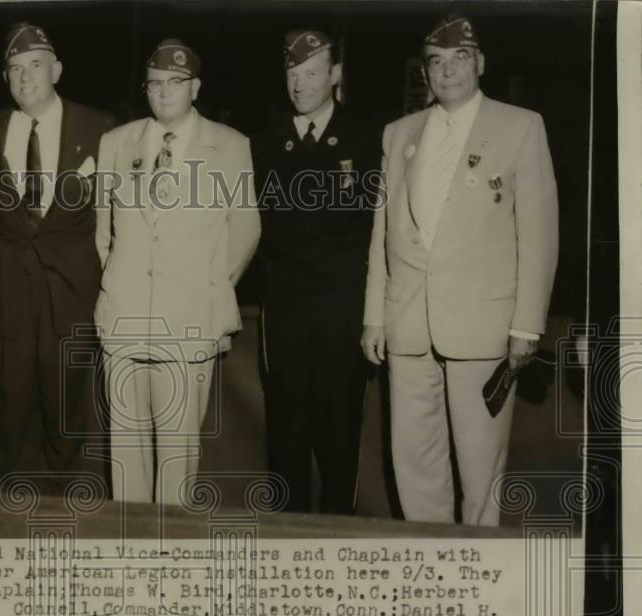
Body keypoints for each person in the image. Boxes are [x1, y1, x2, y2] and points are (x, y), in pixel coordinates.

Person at [360, 15, 559, 526]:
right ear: (425, 73)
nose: (447, 72)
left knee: (480, 470)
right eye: (436, 62)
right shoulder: (399, 134)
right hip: (407, 323)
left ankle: (479, 576)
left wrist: (526, 325)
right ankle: (431, 571)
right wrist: (374, 317)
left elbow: (538, 234)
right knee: (415, 465)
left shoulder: (520, 127)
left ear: (481, 64)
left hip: (483, 327)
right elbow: (383, 233)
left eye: (459, 59)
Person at [95, 38, 261, 506]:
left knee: (177, 455)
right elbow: (102, 234)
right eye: (154, 84)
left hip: (189, 319)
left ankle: (170, 553)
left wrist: (206, 287)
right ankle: (128, 553)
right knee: (124, 451)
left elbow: (245, 230)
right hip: (124, 314)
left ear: (196, 88)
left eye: (175, 82)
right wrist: (120, 284)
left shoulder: (229, 146)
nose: (163, 92)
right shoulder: (115, 143)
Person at [0, 22, 114, 493]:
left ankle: (65, 516)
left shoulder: (100, 129)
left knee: (69, 413)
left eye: (35, 65)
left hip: (73, 297)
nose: (25, 77)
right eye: (14, 69)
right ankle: (3, 520)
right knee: (11, 411)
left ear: (56, 70)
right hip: (10, 298)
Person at [252, 30, 381, 515]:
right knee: (285, 432)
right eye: (291, 74)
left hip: (343, 308)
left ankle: (341, 539)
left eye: (310, 73)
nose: (299, 84)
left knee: (338, 433)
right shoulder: (265, 144)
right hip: (284, 307)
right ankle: (285, 546)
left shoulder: (368, 138)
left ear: (335, 75)